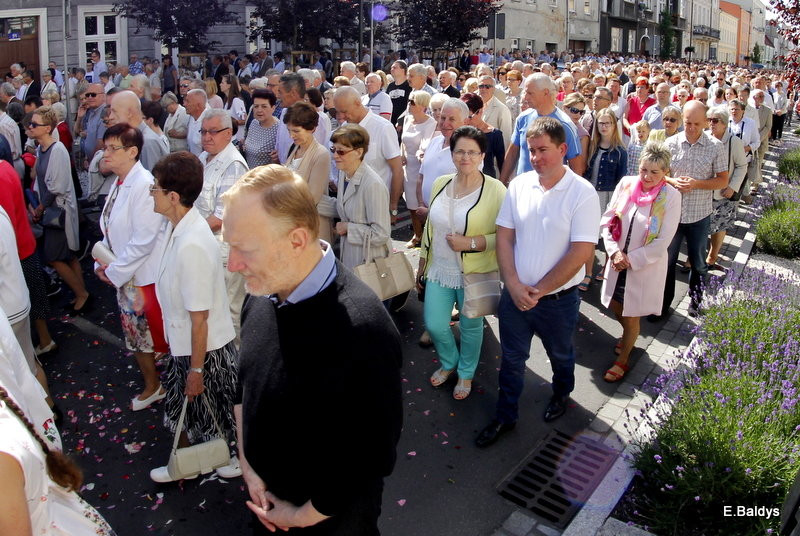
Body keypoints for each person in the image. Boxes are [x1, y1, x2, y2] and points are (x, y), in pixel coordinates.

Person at [222, 164, 402, 534]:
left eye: (244, 250)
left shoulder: (363, 330)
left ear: (297, 240)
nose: (232, 264)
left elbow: (371, 456)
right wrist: (249, 467)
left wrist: (297, 517)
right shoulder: (262, 295)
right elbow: (246, 385)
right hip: (268, 507)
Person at [475, 117, 600, 448]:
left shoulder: (582, 193)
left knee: (560, 354)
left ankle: (562, 393)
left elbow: (581, 251)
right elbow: (504, 236)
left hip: (557, 302)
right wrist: (513, 285)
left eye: (543, 150)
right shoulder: (519, 185)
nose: (536, 157)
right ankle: (505, 416)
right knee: (512, 360)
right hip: (515, 297)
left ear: (562, 149)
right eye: (532, 150)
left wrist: (539, 290)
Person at [148, 152, 240, 482]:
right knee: (193, 413)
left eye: (155, 189)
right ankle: (194, 460)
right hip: (191, 346)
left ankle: (225, 457)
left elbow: (199, 318)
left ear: (173, 197)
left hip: (205, 350)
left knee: (214, 414)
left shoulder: (192, 243)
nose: (152, 194)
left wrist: (196, 369)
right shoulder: (182, 228)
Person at [418, 126, 506, 400]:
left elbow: (505, 238)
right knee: (434, 324)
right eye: (459, 151)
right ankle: (449, 362)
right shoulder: (440, 183)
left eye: (472, 152)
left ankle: (466, 373)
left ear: (482, 155)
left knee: (470, 327)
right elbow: (430, 229)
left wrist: (471, 243)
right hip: (439, 269)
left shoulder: (496, 190)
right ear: (452, 153)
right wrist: (422, 264)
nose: (465, 157)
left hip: (475, 272)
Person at [94, 123, 169, 411]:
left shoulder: (143, 184)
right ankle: (155, 383)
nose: (106, 153)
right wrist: (102, 257)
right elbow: (110, 226)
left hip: (142, 277)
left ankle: (155, 386)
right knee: (139, 336)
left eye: (113, 148)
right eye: (106, 147)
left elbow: (144, 240)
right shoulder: (121, 181)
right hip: (125, 273)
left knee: (145, 337)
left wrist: (113, 271)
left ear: (133, 152)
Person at [599, 143, 681, 382]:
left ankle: (623, 358)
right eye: (644, 169)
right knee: (615, 304)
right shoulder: (626, 184)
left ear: (666, 172)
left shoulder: (671, 197)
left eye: (654, 172)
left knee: (631, 312)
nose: (647, 177)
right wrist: (614, 252)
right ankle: (629, 335)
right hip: (617, 262)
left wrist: (630, 260)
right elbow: (609, 219)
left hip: (642, 266)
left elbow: (664, 239)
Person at [656, 101, 728, 320]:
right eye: (687, 123)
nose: (691, 128)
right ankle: (662, 306)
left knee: (698, 263)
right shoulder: (671, 143)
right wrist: (672, 180)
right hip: (673, 216)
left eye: (697, 124)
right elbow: (660, 174)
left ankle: (695, 303)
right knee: (667, 263)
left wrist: (696, 184)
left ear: (706, 122)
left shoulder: (716, 147)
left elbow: (722, 181)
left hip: (699, 215)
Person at [28, 106, 91, 314]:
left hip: (59, 212)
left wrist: (40, 206)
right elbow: (39, 181)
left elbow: (56, 186)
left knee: (54, 257)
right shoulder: (40, 149)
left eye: (34, 124)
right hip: (51, 211)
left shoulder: (57, 150)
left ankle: (81, 294)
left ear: (47, 128)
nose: (30, 127)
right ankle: (80, 293)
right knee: (68, 256)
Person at [333, 87, 403, 224]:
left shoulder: (383, 128)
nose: (341, 116)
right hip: (348, 207)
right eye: (338, 111)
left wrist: (393, 207)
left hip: (376, 206)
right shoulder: (343, 129)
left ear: (358, 103)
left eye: (344, 111)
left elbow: (397, 169)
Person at [499, 74, 583, 184]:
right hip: (523, 190)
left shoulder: (565, 125)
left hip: (552, 192)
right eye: (525, 92)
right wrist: (502, 183)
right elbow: (512, 153)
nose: (525, 97)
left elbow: (576, 167)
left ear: (546, 93)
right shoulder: (523, 118)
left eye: (530, 93)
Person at [330, 124, 391, 271]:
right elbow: (342, 206)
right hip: (351, 258)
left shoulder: (373, 184)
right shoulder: (344, 172)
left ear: (358, 152)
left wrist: (348, 228)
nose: (335, 155)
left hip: (369, 264)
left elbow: (381, 233)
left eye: (341, 152)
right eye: (333, 150)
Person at [581, 108, 627, 291]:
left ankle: (607, 267)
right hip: (592, 194)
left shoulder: (620, 151)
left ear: (614, 125)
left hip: (609, 195)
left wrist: (618, 204)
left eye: (608, 123)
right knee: (590, 236)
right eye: (601, 123)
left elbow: (622, 179)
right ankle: (588, 271)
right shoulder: (592, 146)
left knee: (609, 233)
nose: (604, 126)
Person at [705, 106, 748, 272]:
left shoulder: (733, 141)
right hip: (704, 191)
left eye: (715, 120)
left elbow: (742, 166)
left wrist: (732, 186)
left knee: (719, 225)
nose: (711, 123)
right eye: (709, 120)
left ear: (724, 124)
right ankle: (693, 259)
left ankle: (712, 256)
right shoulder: (705, 138)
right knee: (701, 226)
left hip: (723, 193)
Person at [283, 102, 333, 243]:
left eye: (296, 131)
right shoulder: (295, 147)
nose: (292, 135)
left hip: (310, 225)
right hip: (292, 222)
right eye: (289, 130)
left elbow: (312, 198)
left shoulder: (321, 154)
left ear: (312, 129)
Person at [417, 98, 469, 211]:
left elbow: (468, 192)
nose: (445, 123)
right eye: (443, 118)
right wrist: (421, 204)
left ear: (465, 122)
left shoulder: (469, 152)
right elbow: (421, 177)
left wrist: (433, 213)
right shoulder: (434, 141)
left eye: (452, 119)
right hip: (426, 214)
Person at [400, 90, 437, 247]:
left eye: (412, 102)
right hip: (407, 167)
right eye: (409, 101)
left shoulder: (431, 123)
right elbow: (403, 140)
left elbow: (427, 144)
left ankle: (428, 236)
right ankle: (417, 235)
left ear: (422, 105)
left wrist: (420, 154)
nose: (409, 104)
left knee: (423, 203)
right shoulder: (408, 119)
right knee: (411, 204)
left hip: (422, 168)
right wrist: (401, 154)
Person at [107, 90, 169, 171]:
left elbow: (151, 180)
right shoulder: (137, 138)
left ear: (129, 113)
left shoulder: (147, 142)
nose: (110, 117)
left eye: (114, 111)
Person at [461, 92, 505, 179]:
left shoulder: (494, 135)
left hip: (486, 183)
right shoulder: (460, 132)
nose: (466, 121)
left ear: (480, 111)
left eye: (469, 117)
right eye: (463, 117)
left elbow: (502, 164)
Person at [243, 88, 279, 169]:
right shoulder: (254, 123)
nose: (259, 110)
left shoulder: (279, 129)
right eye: (256, 106)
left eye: (264, 106)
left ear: (273, 108)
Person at [562, 92, 590, 176]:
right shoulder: (555, 125)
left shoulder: (582, 134)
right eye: (574, 110)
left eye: (581, 112)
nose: (578, 115)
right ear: (564, 108)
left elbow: (581, 167)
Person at [220, 74, 247, 144]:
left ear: (229, 85)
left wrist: (230, 122)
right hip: (229, 138)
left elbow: (244, 120)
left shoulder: (236, 100)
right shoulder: (226, 101)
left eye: (222, 83)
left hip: (237, 140)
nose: (220, 84)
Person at [184, 88, 210, 157]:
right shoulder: (191, 118)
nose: (184, 104)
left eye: (188, 101)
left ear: (198, 106)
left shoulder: (209, 120)